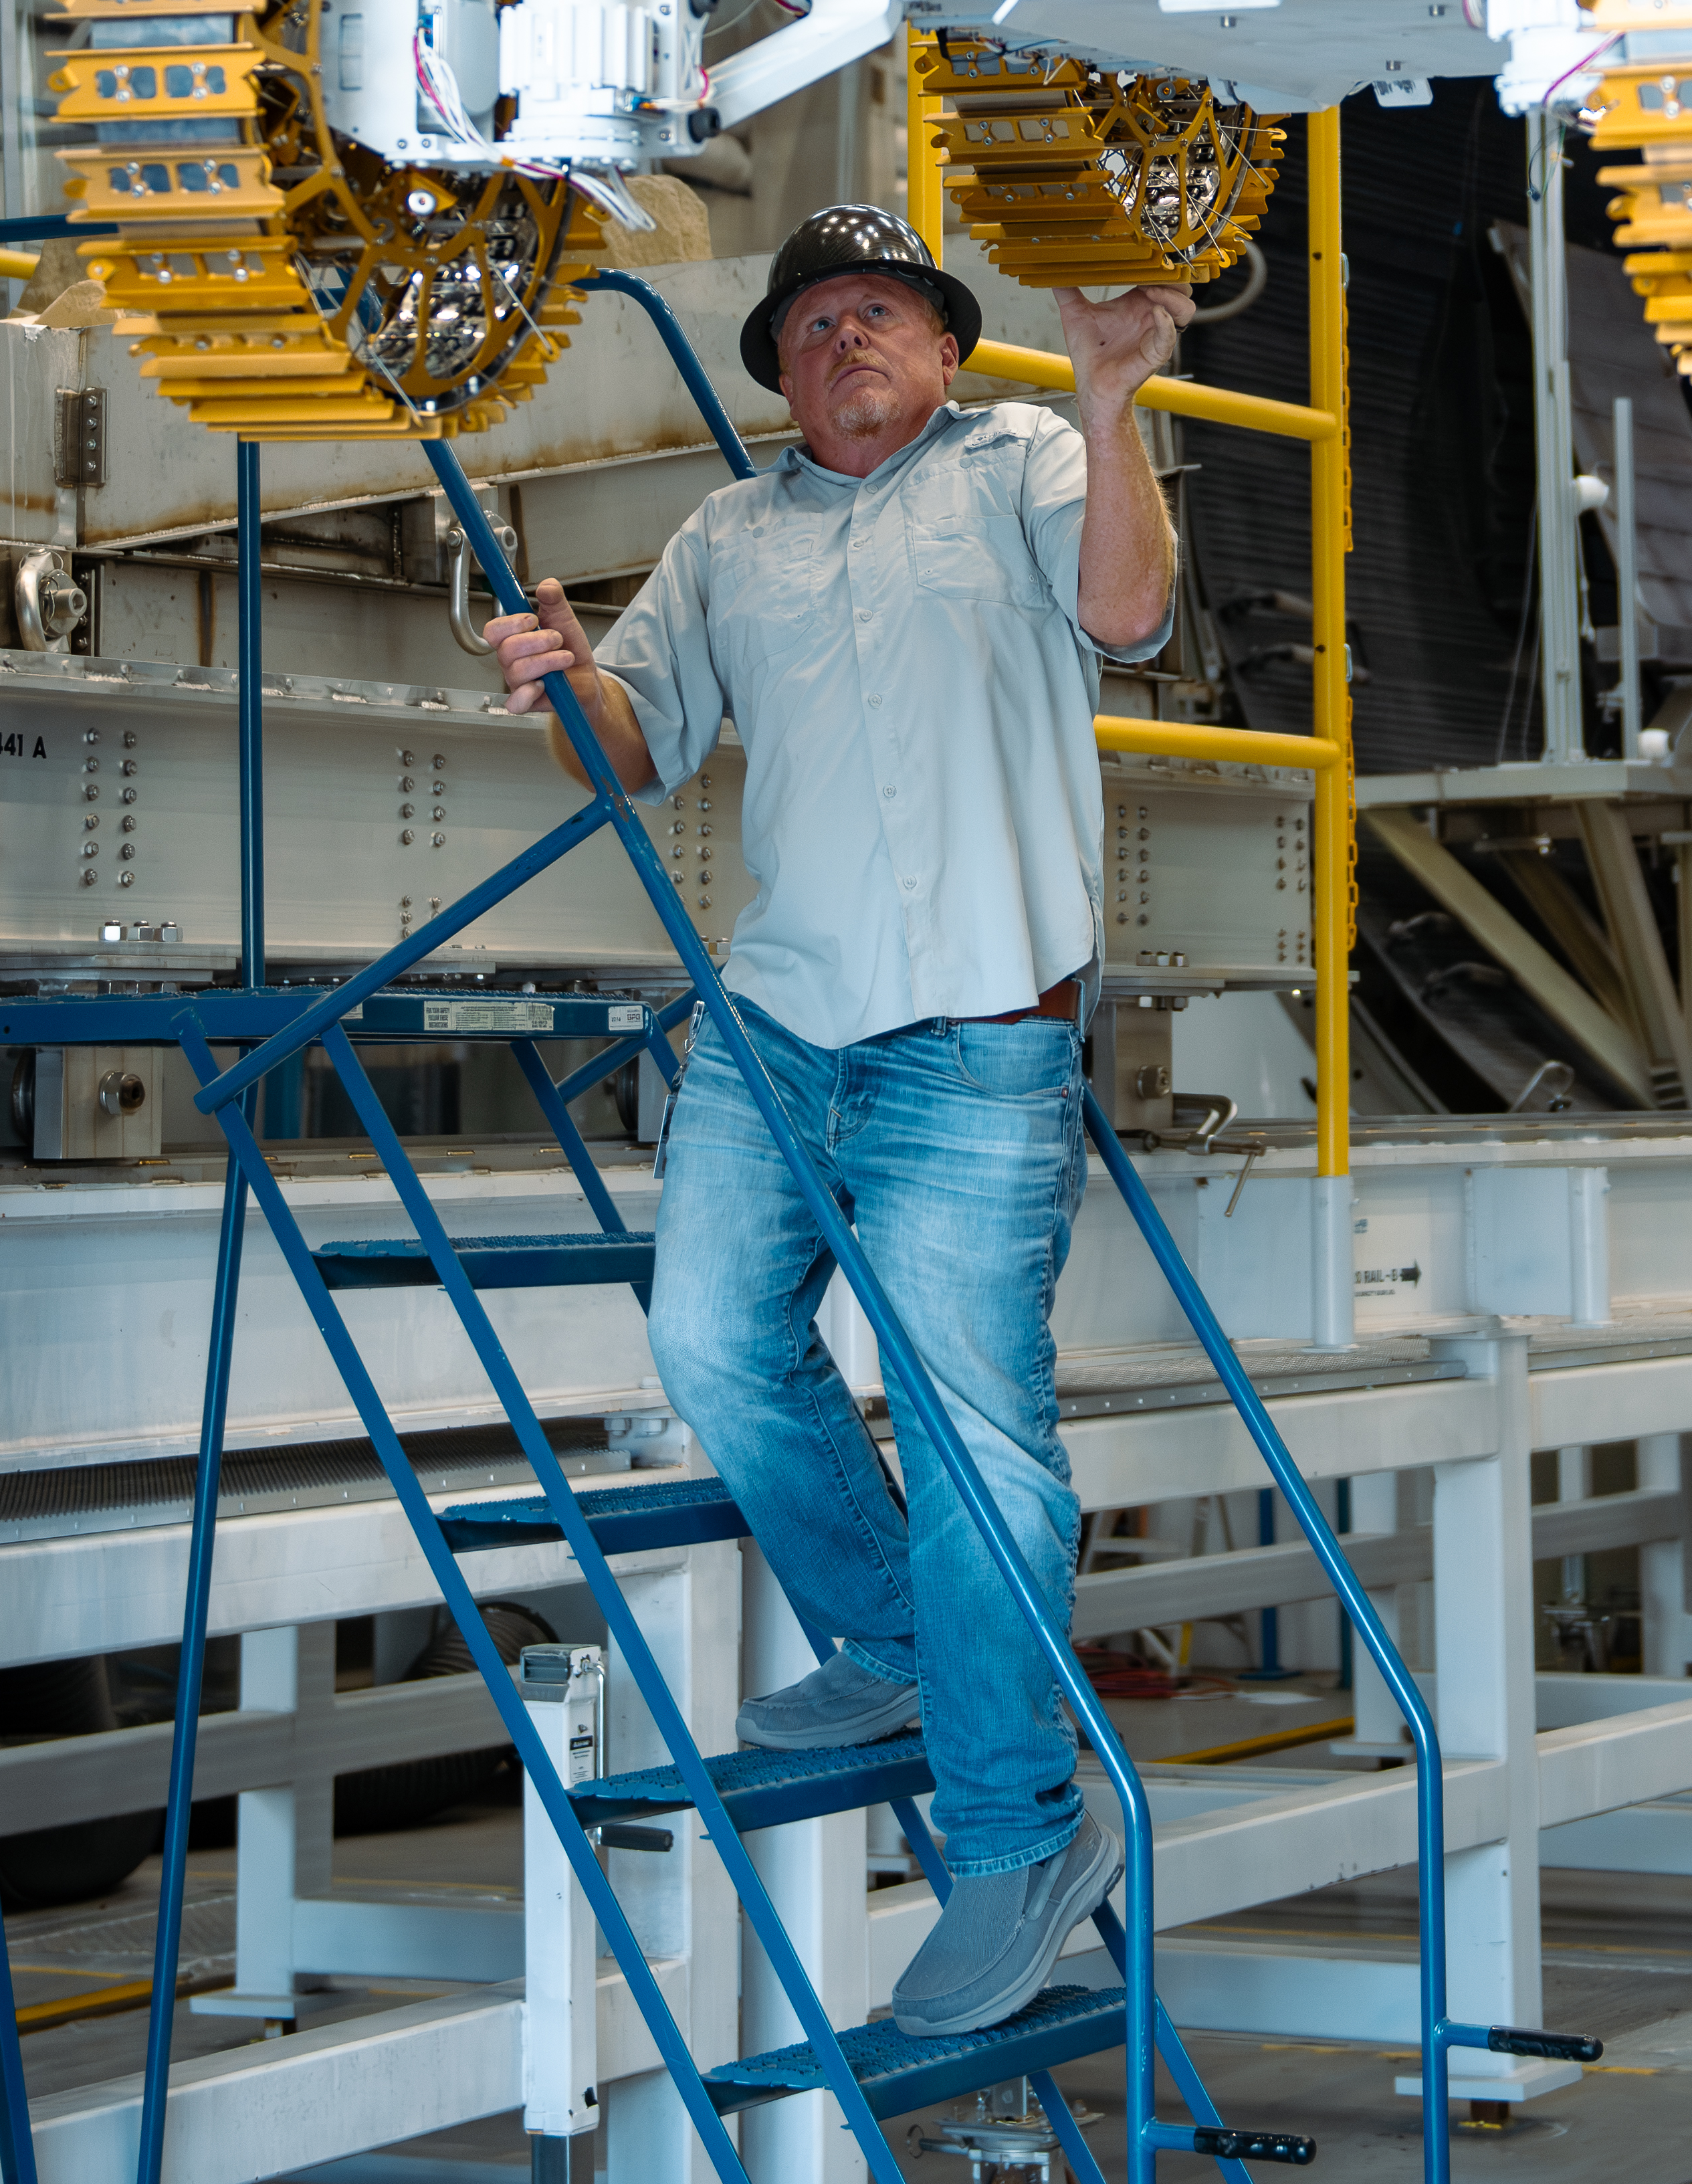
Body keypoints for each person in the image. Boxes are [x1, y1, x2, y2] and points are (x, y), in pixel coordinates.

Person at [484, 197, 1190, 2040]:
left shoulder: (1030, 460)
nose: (842, 340)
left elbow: (1128, 612)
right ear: (780, 369)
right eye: (809, 324)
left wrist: (1113, 403)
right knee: (711, 1341)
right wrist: (569, 684)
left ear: (948, 348)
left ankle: (1023, 1826)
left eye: (878, 314)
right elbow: (635, 747)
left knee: (980, 1450)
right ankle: (890, 1640)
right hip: (780, 1024)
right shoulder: (725, 538)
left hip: (976, 1035)